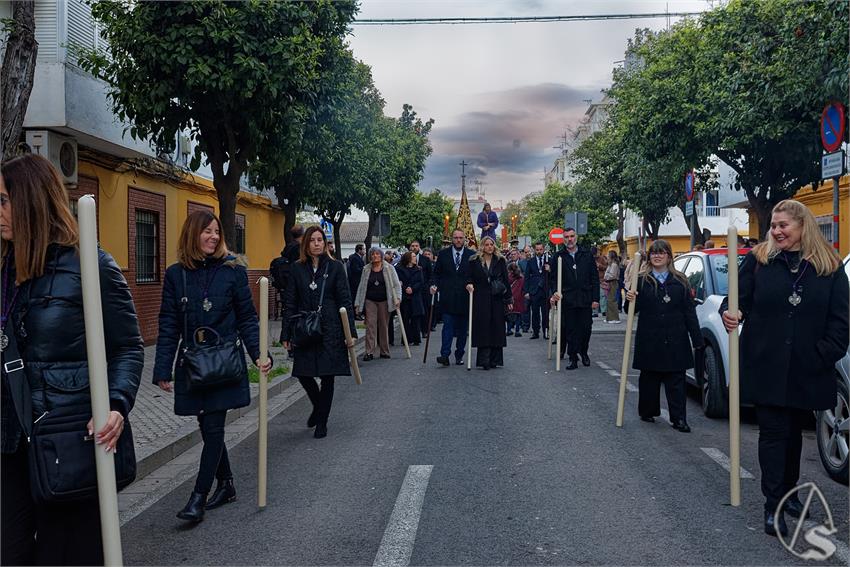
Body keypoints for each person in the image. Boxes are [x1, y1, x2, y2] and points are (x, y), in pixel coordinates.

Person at [0, 154, 143, 565]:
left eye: (4, 201)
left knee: (68, 556)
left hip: (65, 440)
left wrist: (115, 404)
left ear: (30, 201)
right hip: (9, 443)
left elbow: (128, 347)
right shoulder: (4, 267)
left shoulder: (89, 265)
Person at [720, 200, 848, 537]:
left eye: (783, 225)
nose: (776, 231)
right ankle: (773, 504)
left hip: (808, 367)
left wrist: (822, 355)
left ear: (803, 226)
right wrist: (732, 313)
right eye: (773, 226)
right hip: (767, 363)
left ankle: (789, 492)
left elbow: (840, 321)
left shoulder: (830, 267)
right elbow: (736, 299)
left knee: (793, 435)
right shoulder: (759, 260)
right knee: (774, 434)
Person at [154, 210, 269, 523]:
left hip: (224, 362)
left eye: (217, 232)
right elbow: (168, 324)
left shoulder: (233, 271)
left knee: (214, 428)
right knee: (206, 427)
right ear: (193, 234)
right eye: (207, 231)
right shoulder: (176, 275)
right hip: (193, 364)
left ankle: (198, 498)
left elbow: (247, 317)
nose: (214, 237)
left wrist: (259, 353)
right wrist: (162, 368)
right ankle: (227, 484)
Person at [282, 226, 355, 439]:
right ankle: (317, 404)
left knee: (327, 376)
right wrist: (286, 333)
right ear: (306, 244)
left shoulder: (336, 267)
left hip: (330, 328)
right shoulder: (297, 268)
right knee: (302, 373)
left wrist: (349, 331)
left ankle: (322, 421)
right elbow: (290, 301)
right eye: (312, 240)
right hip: (304, 327)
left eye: (320, 239)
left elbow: (344, 299)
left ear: (325, 243)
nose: (316, 243)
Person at [625, 239, 703, 434]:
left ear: (669, 256)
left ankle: (679, 418)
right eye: (654, 253)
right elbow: (630, 310)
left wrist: (697, 338)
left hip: (675, 337)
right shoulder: (641, 280)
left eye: (661, 252)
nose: (657, 256)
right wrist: (630, 299)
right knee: (649, 378)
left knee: (676, 380)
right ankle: (648, 411)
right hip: (650, 337)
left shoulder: (681, 281)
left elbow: (689, 312)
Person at [549, 227, 600, 369]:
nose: (569, 239)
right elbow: (553, 279)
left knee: (586, 328)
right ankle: (573, 357)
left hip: (585, 298)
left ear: (576, 237)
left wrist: (595, 298)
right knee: (570, 329)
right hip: (568, 298)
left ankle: (583, 351)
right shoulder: (558, 256)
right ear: (563, 239)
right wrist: (555, 292)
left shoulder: (586, 254)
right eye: (566, 237)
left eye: (572, 236)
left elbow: (594, 278)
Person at [466, 237, 512, 369]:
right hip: (481, 298)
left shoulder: (500, 260)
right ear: (482, 246)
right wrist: (469, 284)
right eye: (487, 244)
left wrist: (509, 299)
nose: (490, 247)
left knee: (496, 327)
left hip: (497, 298)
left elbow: (506, 280)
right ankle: (484, 360)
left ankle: (495, 360)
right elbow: (469, 277)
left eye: (491, 244)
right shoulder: (474, 261)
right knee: (483, 327)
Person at [430, 229, 475, 366]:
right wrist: (434, 285)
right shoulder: (443, 254)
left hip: (464, 298)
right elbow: (436, 273)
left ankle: (459, 354)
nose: (458, 240)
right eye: (456, 237)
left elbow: (474, 275)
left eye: (461, 237)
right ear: (452, 239)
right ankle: (445, 354)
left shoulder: (471, 255)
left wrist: (471, 284)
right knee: (447, 327)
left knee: (462, 330)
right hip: (448, 297)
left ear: (464, 239)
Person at [355, 247, 401, 361]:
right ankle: (369, 351)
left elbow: (396, 285)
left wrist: (398, 298)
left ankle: (384, 351)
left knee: (383, 325)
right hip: (370, 300)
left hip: (384, 300)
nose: (375, 256)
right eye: (372, 254)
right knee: (370, 325)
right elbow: (361, 286)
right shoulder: (366, 269)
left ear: (381, 255)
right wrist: (357, 303)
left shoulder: (389, 268)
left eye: (377, 254)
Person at [276, 225, 304, 342]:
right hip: (295, 282)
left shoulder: (287, 247)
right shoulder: (298, 248)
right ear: (302, 234)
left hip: (285, 283)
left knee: (288, 309)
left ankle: (288, 336)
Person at [396, 251, 424, 346]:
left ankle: (416, 338)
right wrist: (405, 288)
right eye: (413, 256)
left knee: (416, 318)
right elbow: (399, 281)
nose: (415, 258)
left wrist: (412, 288)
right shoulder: (399, 269)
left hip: (415, 296)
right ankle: (406, 339)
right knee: (405, 318)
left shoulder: (418, 269)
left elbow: (420, 282)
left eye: (415, 256)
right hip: (405, 297)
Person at [523, 242, 550, 339]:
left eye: (540, 249)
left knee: (545, 312)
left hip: (545, 290)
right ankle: (535, 332)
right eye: (537, 250)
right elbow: (526, 277)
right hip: (534, 290)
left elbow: (554, 275)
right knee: (535, 312)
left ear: (543, 250)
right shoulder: (531, 261)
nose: (539, 251)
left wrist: (549, 270)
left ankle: (546, 331)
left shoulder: (548, 260)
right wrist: (526, 291)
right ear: (534, 250)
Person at [410, 240, 433, 336]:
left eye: (416, 246)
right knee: (413, 312)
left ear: (419, 247)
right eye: (413, 246)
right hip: (412, 289)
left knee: (424, 310)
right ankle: (414, 333)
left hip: (424, 289)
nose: (414, 247)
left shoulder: (425, 259)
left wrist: (428, 285)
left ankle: (424, 331)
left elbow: (430, 274)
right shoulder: (407, 258)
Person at [506, 261, 526, 337]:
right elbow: (523, 288)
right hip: (519, 298)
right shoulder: (521, 278)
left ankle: (508, 329)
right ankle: (517, 331)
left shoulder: (508, 277)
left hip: (510, 297)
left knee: (509, 314)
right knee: (518, 315)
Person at [347, 244, 366, 318]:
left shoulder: (358, 257)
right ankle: (356, 314)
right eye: (363, 249)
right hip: (355, 282)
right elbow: (356, 270)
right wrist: (364, 269)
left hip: (357, 281)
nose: (364, 251)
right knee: (355, 298)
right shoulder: (355, 258)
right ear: (359, 250)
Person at [604, 251, 621, 323]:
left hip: (613, 283)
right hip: (611, 282)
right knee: (609, 300)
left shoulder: (614, 265)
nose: (607, 256)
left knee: (611, 300)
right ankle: (609, 318)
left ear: (611, 256)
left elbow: (612, 275)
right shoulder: (611, 264)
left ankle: (614, 318)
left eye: (608, 255)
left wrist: (606, 276)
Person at [594, 247, 608, 318]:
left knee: (602, 295)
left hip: (601, 279)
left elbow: (606, 267)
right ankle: (594, 312)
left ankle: (604, 311)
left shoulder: (602, 258)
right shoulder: (590, 258)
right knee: (594, 296)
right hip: (593, 280)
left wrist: (599, 266)